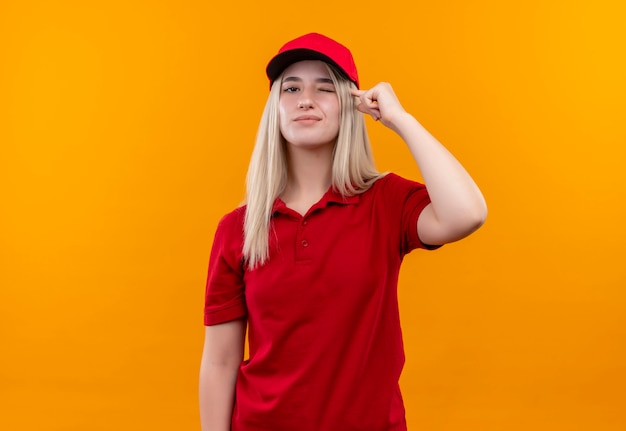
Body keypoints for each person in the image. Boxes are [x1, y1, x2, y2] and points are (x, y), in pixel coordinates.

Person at [199, 33, 487, 431]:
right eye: (292, 88)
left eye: (325, 87)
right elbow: (219, 361)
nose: (305, 99)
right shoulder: (237, 229)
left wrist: (400, 119)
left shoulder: (385, 202)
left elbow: (467, 213)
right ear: (275, 109)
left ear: (351, 104)